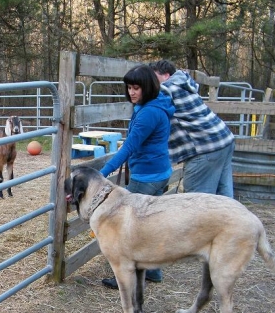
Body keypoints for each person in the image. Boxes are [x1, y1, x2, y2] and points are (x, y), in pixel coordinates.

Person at [99, 64, 175, 288]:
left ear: (147, 87)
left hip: (147, 176)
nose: (132, 92)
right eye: (129, 87)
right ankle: (153, 271)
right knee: (148, 224)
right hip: (158, 171)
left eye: (136, 88)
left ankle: (125, 275)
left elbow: (128, 148)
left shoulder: (148, 113)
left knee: (126, 226)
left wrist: (101, 174)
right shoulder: (151, 105)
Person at [149, 60, 235, 197]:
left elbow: (149, 98)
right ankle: (231, 218)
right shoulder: (184, 84)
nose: (150, 82)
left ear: (166, 75)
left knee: (196, 203)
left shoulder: (167, 88)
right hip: (223, 139)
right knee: (223, 198)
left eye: (153, 77)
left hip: (205, 148)